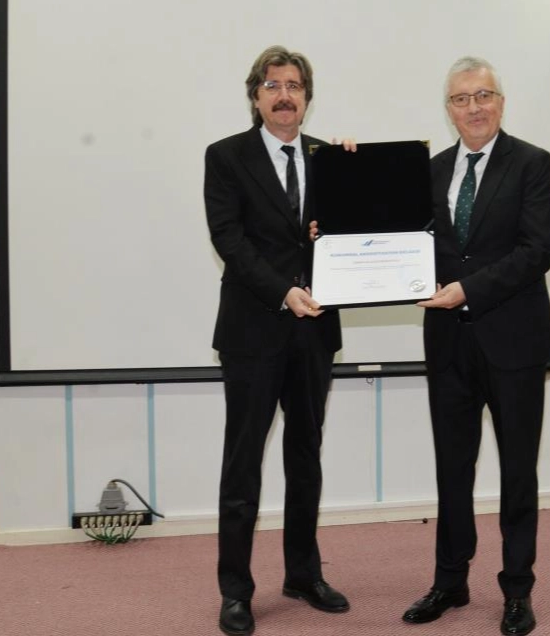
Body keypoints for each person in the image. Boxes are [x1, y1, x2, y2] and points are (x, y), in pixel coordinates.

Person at [402, 57, 550, 636]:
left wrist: (468, 289)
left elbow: (537, 251)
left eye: (484, 95)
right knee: (452, 470)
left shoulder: (532, 163)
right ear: (448, 109)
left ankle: (517, 590)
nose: (474, 107)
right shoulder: (430, 171)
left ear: (501, 102)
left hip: (514, 341)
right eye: (462, 98)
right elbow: (403, 242)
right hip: (448, 344)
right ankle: (450, 581)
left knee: (518, 473)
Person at [203, 45, 354, 636]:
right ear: (255, 96)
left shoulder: (328, 159)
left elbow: (347, 235)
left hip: (315, 332)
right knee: (243, 465)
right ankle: (236, 591)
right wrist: (283, 291)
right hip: (253, 330)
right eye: (273, 86)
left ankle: (303, 575)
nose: (284, 95)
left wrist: (358, 176)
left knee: (305, 457)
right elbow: (229, 240)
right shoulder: (226, 156)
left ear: (307, 97)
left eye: (294, 85)